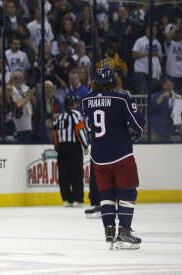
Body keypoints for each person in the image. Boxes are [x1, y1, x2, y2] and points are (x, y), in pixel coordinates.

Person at [82, 66, 146, 250]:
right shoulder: (121, 98)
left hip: (99, 156)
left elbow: (88, 123)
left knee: (106, 195)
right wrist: (136, 132)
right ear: (114, 81)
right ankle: (124, 232)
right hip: (121, 154)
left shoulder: (86, 100)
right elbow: (139, 124)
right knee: (127, 192)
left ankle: (109, 231)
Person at [53, 95, 89, 207]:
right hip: (73, 147)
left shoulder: (59, 117)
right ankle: (78, 199)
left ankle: (67, 199)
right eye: (76, 103)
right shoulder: (76, 114)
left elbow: (54, 134)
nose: (77, 105)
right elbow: (80, 130)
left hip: (61, 148)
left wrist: (57, 147)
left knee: (63, 174)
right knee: (76, 173)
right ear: (73, 104)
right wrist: (85, 144)